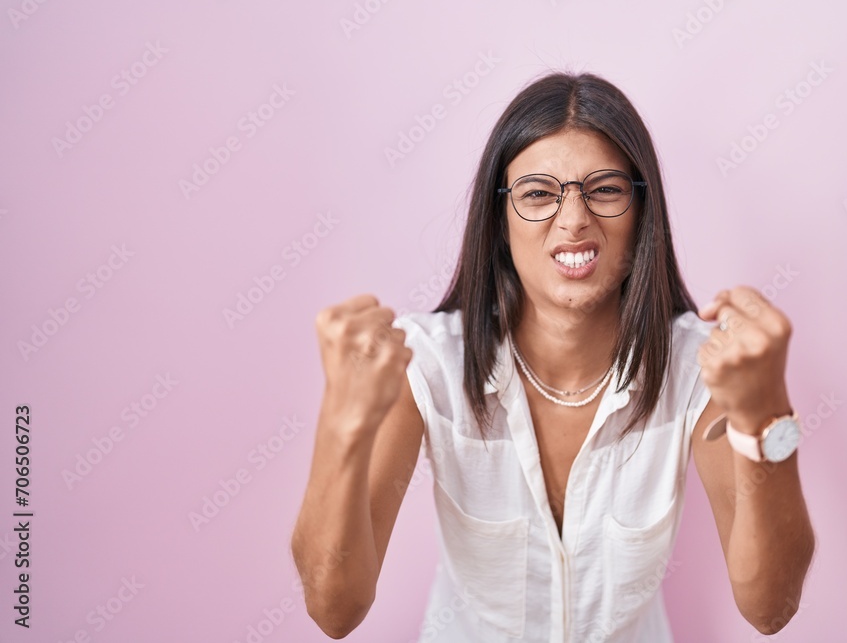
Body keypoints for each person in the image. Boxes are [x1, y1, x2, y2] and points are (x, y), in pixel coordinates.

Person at [291, 71, 816, 642]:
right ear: (499, 222)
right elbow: (333, 610)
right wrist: (341, 424)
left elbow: (771, 608)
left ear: (643, 215)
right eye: (538, 193)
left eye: (607, 189)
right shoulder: (427, 364)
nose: (573, 220)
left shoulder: (699, 367)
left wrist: (765, 413)